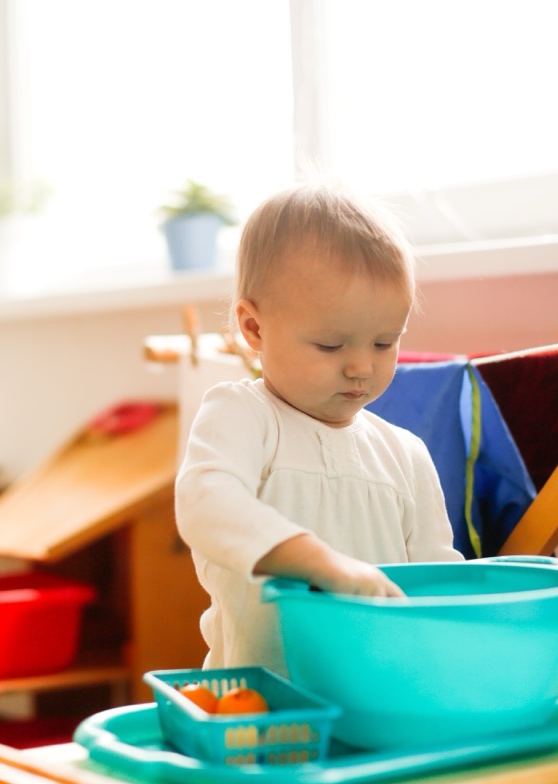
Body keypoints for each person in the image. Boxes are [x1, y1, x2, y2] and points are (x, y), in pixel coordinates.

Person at [174, 183, 464, 680]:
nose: (361, 367)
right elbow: (205, 501)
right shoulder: (242, 416)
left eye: (383, 342)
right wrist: (315, 561)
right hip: (259, 712)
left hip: (382, 699)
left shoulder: (405, 454)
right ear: (255, 329)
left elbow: (436, 587)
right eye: (331, 345)